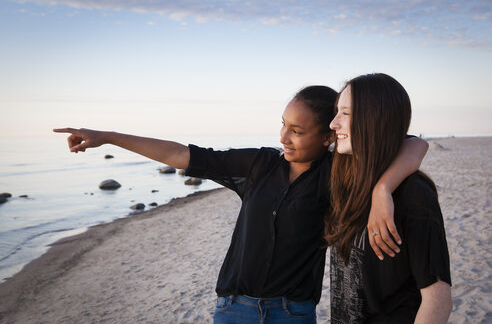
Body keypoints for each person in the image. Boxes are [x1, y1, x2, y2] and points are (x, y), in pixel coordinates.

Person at [54, 85, 428, 323]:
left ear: (328, 135)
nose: (284, 136)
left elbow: (413, 144)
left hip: (293, 314)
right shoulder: (258, 165)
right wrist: (107, 136)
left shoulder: (338, 174)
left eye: (297, 131)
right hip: (233, 309)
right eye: (283, 124)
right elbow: (181, 153)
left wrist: (382, 189)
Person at [327, 74, 452, 323]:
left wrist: (383, 189)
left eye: (346, 113)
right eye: (336, 112)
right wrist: (381, 188)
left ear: (376, 120)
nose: (333, 123)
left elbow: (438, 300)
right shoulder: (345, 180)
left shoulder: (412, 195)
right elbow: (415, 144)